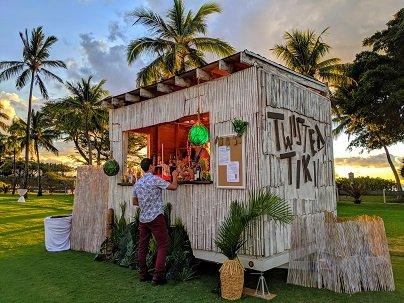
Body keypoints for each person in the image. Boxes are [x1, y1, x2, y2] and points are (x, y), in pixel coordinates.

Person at [132, 158, 178, 285]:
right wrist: (174, 175)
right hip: (156, 217)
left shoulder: (138, 183)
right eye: (153, 165)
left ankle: (142, 273)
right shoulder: (155, 179)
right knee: (163, 244)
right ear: (151, 167)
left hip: (143, 218)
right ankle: (158, 276)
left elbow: (134, 202)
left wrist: (145, 203)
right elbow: (173, 187)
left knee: (143, 246)